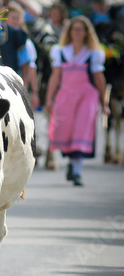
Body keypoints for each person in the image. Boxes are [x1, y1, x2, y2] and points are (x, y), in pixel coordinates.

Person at [46, 16, 110, 186]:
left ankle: (76, 171)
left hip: (87, 96)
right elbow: (55, 76)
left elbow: (99, 78)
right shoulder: (60, 51)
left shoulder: (93, 53)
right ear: (70, 31)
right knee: (66, 130)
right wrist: (49, 98)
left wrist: (104, 103)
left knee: (82, 130)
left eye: (80, 29)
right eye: (74, 29)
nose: (77, 32)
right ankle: (71, 162)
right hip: (66, 95)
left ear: (86, 32)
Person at [4, 2, 39, 110]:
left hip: (18, 86)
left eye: (18, 18)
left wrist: (33, 91)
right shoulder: (0, 38)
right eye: (13, 18)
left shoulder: (25, 42)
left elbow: (31, 67)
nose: (16, 21)